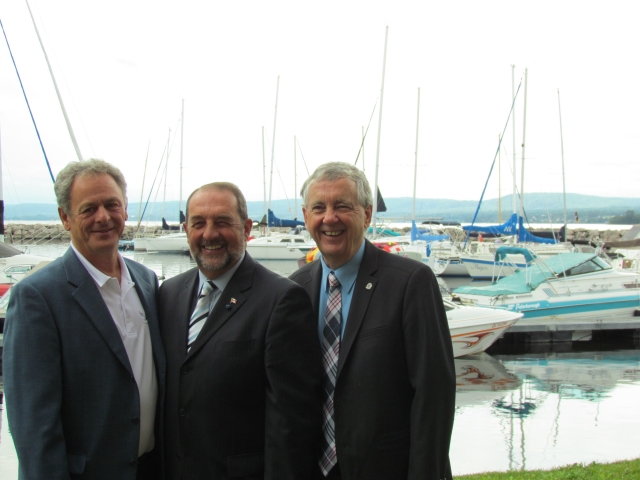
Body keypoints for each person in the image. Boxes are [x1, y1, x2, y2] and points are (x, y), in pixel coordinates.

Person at [290, 162, 456, 480]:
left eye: (342, 206)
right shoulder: (294, 289)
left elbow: (434, 395)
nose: (329, 218)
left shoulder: (410, 282)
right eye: (318, 208)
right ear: (306, 215)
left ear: (366, 214)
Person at [3, 159, 165, 480]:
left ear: (125, 210)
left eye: (111, 204)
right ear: (65, 218)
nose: (103, 217)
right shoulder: (37, 297)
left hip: (151, 469)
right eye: (88, 209)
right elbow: (34, 426)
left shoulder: (146, 281)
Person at [158, 182, 323, 479]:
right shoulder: (168, 294)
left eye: (222, 222)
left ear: (246, 228)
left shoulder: (281, 300)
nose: (209, 234)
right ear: (186, 230)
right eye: (199, 223)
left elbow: (292, 424)